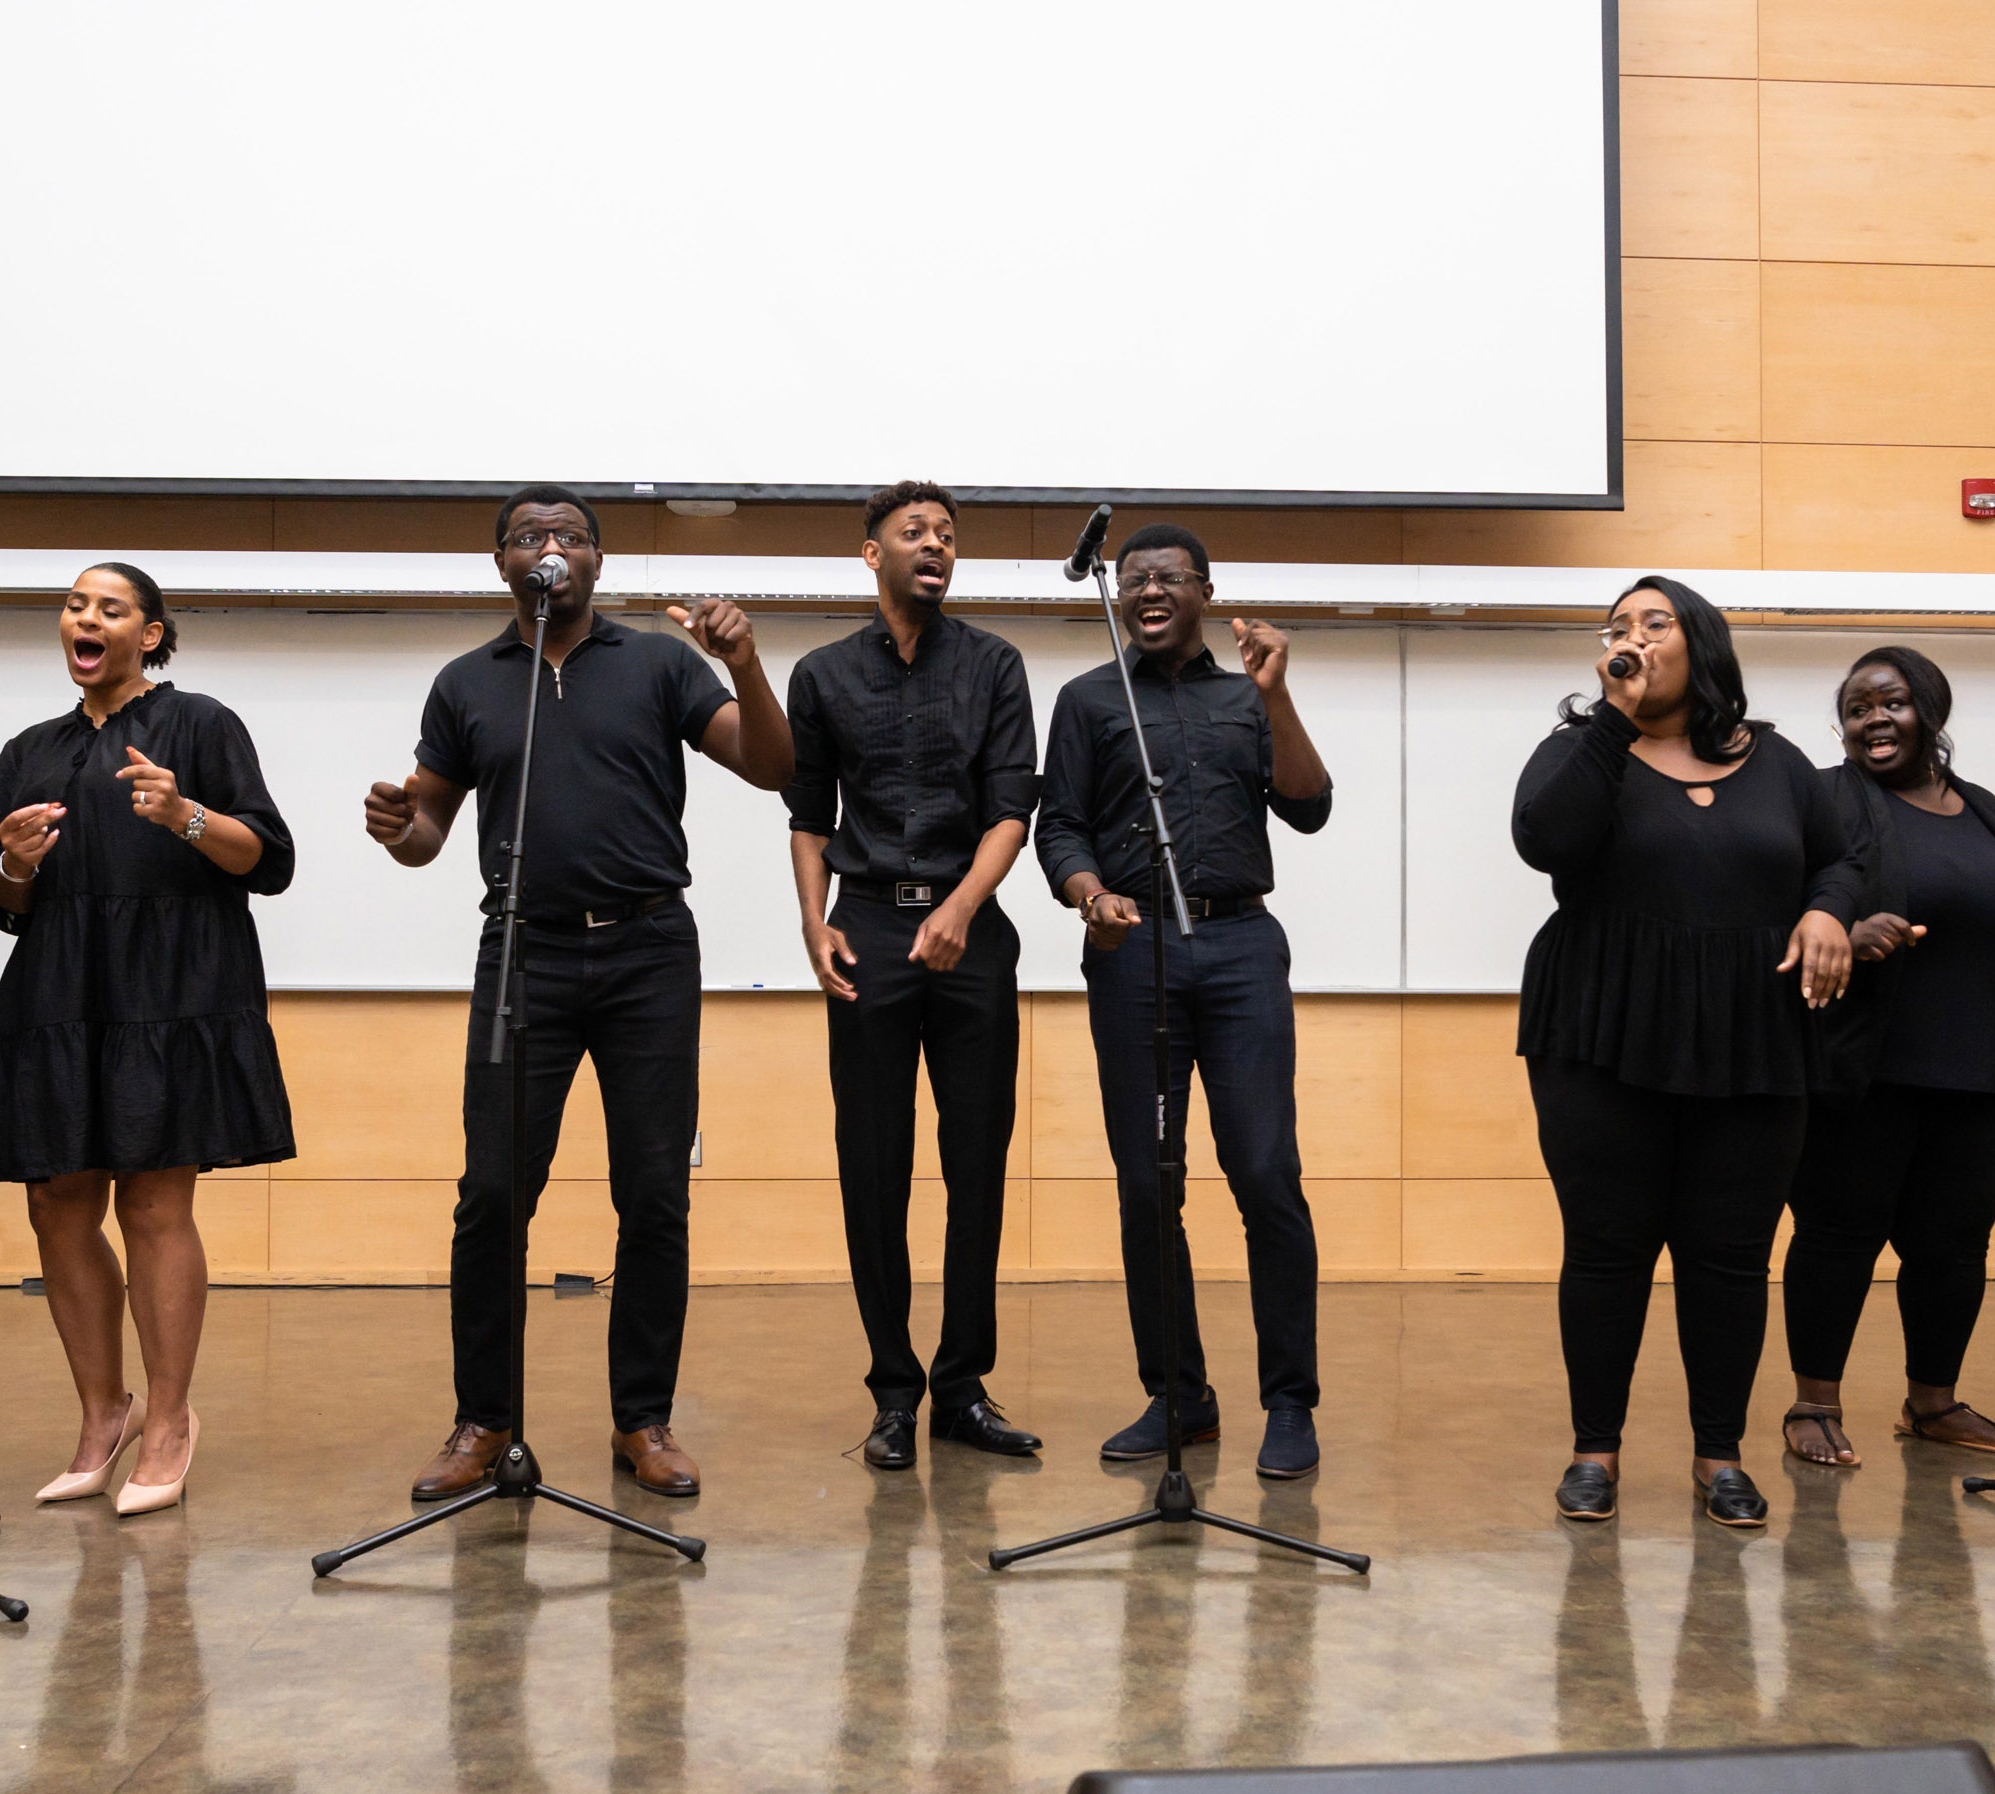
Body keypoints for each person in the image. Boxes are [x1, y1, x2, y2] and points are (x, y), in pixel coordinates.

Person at [365, 484, 794, 1500]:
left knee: (653, 1194)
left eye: (567, 534)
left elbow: (774, 768)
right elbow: (428, 833)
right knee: (492, 1196)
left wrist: (743, 661)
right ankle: (485, 1419)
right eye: (527, 536)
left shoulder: (656, 662)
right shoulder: (469, 682)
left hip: (649, 951)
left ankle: (642, 1419)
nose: (547, 546)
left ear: (597, 560)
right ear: (503, 564)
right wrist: (400, 829)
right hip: (523, 955)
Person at [1512, 576, 1860, 1530]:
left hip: (1752, 1034)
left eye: (1653, 624)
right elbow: (1545, 841)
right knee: (1608, 1247)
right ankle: (1596, 1452)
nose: (1631, 638)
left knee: (1731, 1255)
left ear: (1699, 645)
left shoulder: (1781, 762)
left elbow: (1838, 857)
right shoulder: (1579, 750)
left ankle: (1719, 1454)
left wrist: (1829, 909)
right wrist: (1612, 724)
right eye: (1617, 627)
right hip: (1602, 1027)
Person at [0, 563, 297, 1516]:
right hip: (60, 988)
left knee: (153, 1201)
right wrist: (13, 866)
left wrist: (186, 815)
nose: (85, 617)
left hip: (175, 983)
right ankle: (102, 1412)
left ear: (150, 635)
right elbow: (1, 906)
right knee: (58, 1202)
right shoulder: (31, 748)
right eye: (74, 605)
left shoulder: (202, 724)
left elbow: (269, 860)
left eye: (109, 607)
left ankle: (171, 1421)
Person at [1032, 523, 1335, 1481]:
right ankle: (1179, 1394)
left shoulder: (1249, 692)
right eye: (1133, 580)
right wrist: (1090, 894)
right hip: (1134, 955)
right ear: (1117, 599)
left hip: (1241, 946)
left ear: (1205, 590)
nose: (1148, 590)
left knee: (1264, 1174)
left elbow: (1311, 802)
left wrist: (1276, 695)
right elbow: (1060, 829)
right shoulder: (1088, 700)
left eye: (1167, 577)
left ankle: (1289, 1403)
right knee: (1146, 1183)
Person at [785, 481, 1041, 1469]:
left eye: (946, 534)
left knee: (976, 1166)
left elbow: (1010, 807)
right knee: (875, 1167)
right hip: (865, 935)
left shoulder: (994, 664)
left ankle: (961, 1387)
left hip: (969, 931)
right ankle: (894, 1391)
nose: (933, 545)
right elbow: (809, 814)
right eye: (914, 532)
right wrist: (813, 924)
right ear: (871, 554)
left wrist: (960, 909)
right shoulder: (821, 673)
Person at [1779, 646, 1995, 1469]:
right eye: (1858, 706)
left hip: (1973, 1075)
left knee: (1954, 1247)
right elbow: (1782, 905)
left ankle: (1932, 1402)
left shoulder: (1983, 809)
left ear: (1931, 713)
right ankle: (1815, 1404)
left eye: (1892, 702)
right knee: (1838, 1237)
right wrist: (1841, 929)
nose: (1873, 719)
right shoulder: (1830, 802)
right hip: (1863, 1069)